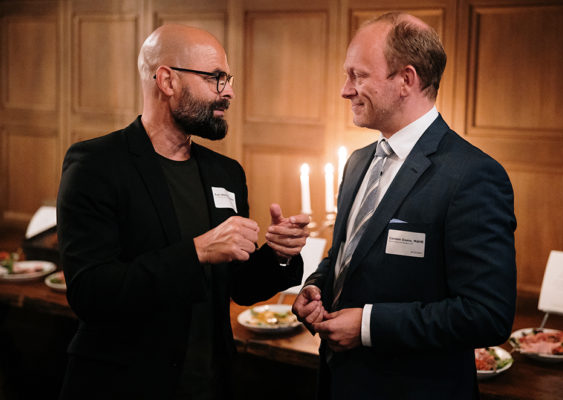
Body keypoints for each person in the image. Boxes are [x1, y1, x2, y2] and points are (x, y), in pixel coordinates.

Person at [57, 24, 309, 400]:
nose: (229, 92)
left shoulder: (226, 173)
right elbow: (91, 294)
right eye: (216, 78)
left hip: (209, 381)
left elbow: (238, 286)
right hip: (124, 384)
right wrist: (197, 252)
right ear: (167, 80)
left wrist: (279, 254)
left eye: (228, 78)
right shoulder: (97, 165)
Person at [292, 12, 516, 399]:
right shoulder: (358, 160)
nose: (346, 90)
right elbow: (346, 255)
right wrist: (316, 288)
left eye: (358, 75)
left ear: (406, 80)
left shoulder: (473, 175)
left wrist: (368, 326)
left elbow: (487, 314)